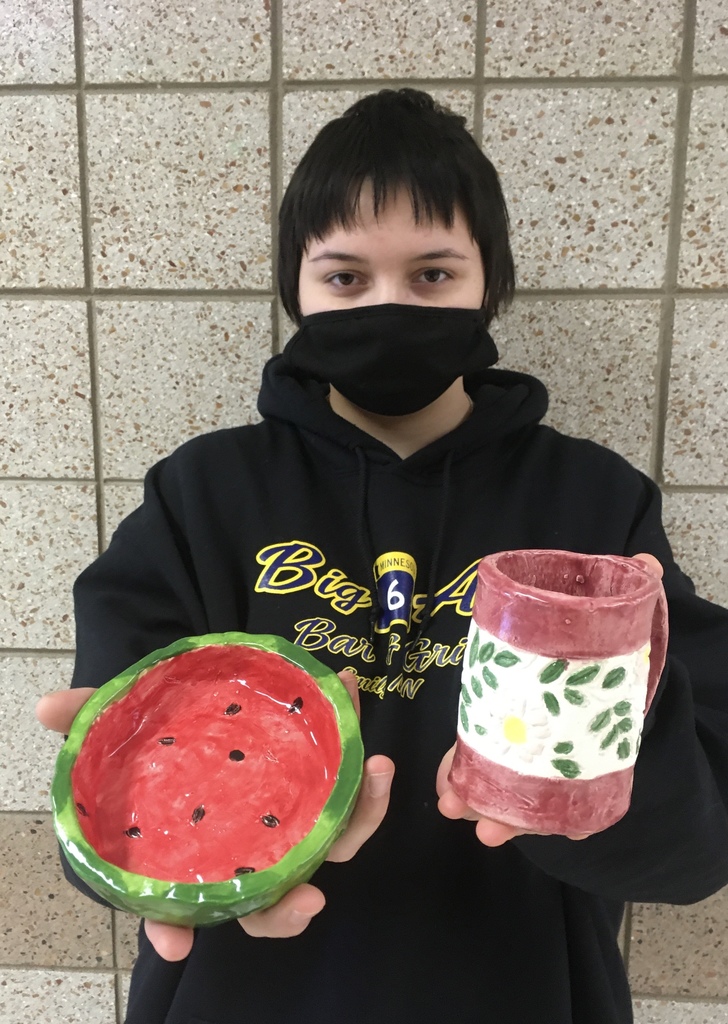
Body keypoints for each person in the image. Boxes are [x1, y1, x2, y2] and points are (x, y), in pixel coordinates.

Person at [37, 88, 728, 1024]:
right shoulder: (202, 496)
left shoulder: (596, 505)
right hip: (243, 996)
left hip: (521, 990)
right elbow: (116, 796)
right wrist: (124, 834)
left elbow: (697, 841)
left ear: (493, 281)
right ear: (297, 290)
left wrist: (606, 769)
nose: (390, 304)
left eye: (434, 273)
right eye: (346, 278)